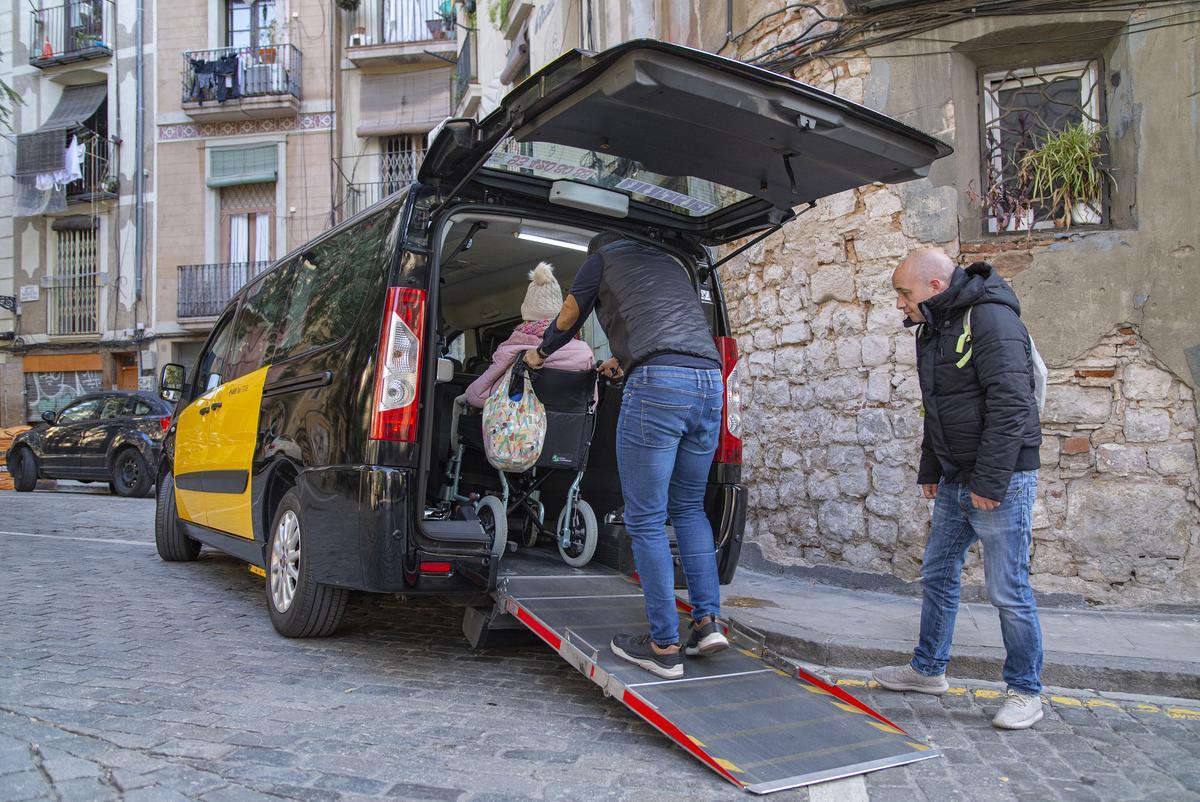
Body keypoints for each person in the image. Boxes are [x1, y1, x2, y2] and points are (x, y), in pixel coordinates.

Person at [524, 232, 729, 679]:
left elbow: (570, 314)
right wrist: (623, 359)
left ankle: (662, 645)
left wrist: (541, 353)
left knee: (646, 518)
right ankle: (707, 622)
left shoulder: (602, 259)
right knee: (690, 508)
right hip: (709, 380)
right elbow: (665, 328)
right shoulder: (672, 265)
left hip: (658, 384)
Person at [872, 247, 1045, 730]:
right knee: (938, 572)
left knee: (1007, 589)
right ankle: (928, 669)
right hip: (955, 476)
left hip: (1000, 478)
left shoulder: (990, 318)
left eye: (904, 293)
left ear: (934, 285)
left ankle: (1026, 690)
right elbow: (938, 406)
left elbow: (1013, 403)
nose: (900, 304)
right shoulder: (934, 325)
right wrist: (932, 469)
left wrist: (990, 481)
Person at [463, 262, 594, 408]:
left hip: (524, 429)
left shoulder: (513, 350)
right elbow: (591, 402)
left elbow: (476, 396)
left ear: (526, 318)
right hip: (570, 429)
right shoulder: (584, 353)